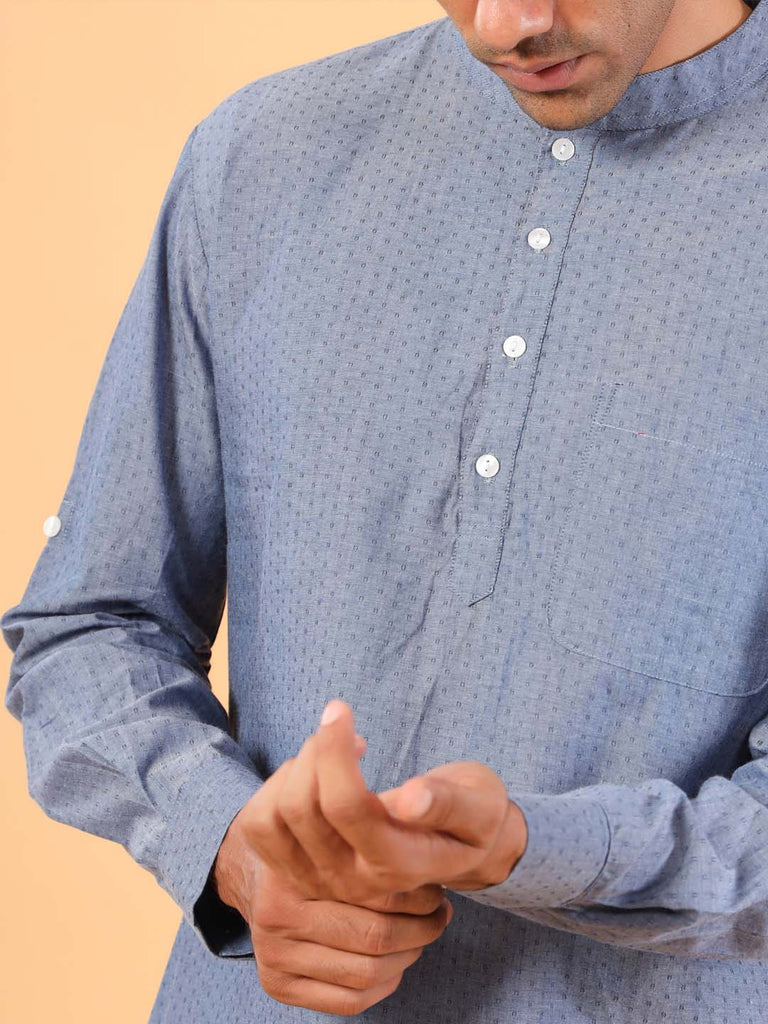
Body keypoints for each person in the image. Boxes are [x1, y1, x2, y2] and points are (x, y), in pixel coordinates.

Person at [3, 0, 768, 1019]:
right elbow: (88, 626)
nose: (507, 22)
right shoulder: (264, 156)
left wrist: (537, 850)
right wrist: (227, 841)